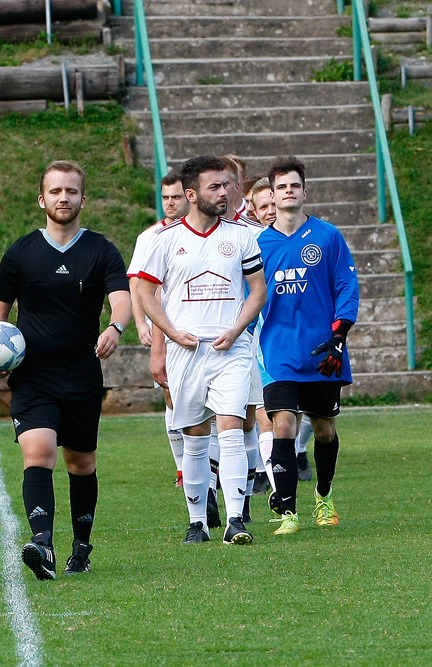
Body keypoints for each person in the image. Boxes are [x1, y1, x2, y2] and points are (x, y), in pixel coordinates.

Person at [0, 159, 131, 579]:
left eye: (72, 191)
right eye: (56, 191)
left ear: (84, 198)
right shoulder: (21, 252)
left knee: (80, 463)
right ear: (41, 198)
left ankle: (81, 545)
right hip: (33, 374)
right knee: (38, 452)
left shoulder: (101, 249)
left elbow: (122, 298)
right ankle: (42, 545)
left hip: (82, 372)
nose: (64, 198)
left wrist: (115, 327)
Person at [135, 155, 266, 546]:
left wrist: (237, 328)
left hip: (232, 348)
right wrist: (172, 333)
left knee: (230, 425)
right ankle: (197, 523)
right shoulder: (165, 240)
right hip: (186, 352)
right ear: (192, 194)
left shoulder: (242, 235)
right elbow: (144, 292)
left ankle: (236, 521)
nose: (224, 192)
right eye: (215, 187)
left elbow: (257, 290)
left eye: (226, 185)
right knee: (194, 434)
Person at [257, 156, 359, 535]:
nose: (288, 192)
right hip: (279, 350)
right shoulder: (259, 244)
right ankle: (288, 513)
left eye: (294, 185)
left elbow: (347, 288)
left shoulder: (328, 236)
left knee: (324, 431)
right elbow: (248, 296)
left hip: (322, 351)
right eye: (281, 186)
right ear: (272, 194)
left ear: (304, 191)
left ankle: (324, 493)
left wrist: (339, 335)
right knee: (282, 423)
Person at [128, 171, 189, 489]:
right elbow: (137, 285)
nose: (169, 203)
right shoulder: (149, 237)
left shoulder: (202, 233)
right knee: (170, 395)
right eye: (165, 197)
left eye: (176, 197)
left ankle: (214, 464)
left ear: (189, 196)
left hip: (197, 326)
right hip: (163, 329)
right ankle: (183, 468)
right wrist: (141, 323)